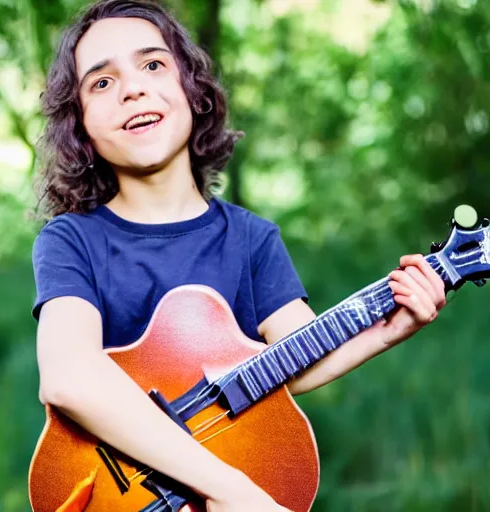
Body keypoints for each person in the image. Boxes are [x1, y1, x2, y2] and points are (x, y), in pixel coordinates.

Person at [31, 1, 447, 510]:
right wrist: (232, 489)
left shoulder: (251, 238)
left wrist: (392, 324)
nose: (132, 88)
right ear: (80, 125)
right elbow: (69, 378)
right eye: (101, 82)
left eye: (153, 64)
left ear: (192, 89)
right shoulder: (71, 241)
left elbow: (294, 357)